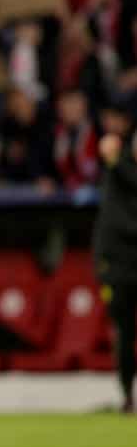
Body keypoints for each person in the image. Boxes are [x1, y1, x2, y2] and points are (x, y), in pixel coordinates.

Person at [95, 107, 137, 414]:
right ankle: (126, 396)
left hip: (121, 261)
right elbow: (113, 225)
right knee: (123, 332)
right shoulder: (116, 174)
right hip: (120, 265)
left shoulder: (118, 170)